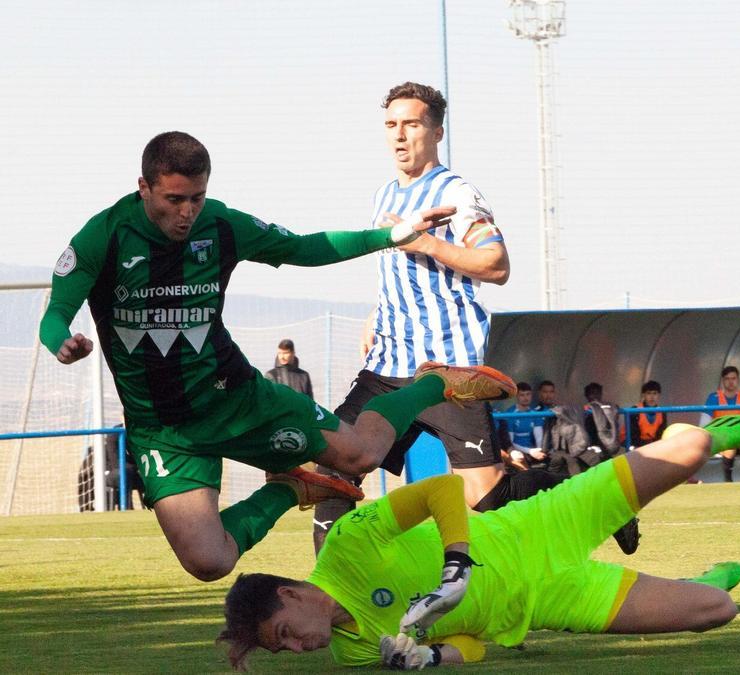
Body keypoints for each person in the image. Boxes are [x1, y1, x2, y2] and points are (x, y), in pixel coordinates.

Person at [39, 130, 515, 581]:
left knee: (361, 456)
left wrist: (391, 236)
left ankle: (435, 382)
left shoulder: (222, 225)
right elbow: (56, 311)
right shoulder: (103, 237)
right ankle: (291, 486)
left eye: (196, 198)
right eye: (174, 199)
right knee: (209, 562)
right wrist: (62, 341)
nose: (187, 212)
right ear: (143, 187)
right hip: (164, 431)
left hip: (240, 399)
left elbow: (304, 248)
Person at [217, 415, 740, 669]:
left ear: (290, 594)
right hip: (550, 598)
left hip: (542, 524)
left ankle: (698, 434)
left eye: (284, 633)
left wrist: (457, 566)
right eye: (280, 648)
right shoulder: (357, 653)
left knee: (690, 452)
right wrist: (431, 659)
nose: (295, 647)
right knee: (718, 608)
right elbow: (476, 645)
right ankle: (701, 581)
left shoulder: (347, 546)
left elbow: (442, 490)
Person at [313, 82, 540, 551]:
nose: (400, 135)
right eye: (391, 125)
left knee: (486, 498)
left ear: (436, 131)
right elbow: (400, 268)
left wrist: (424, 242)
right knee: (334, 466)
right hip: (386, 366)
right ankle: (334, 592)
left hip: (446, 373)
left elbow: (496, 265)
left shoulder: (456, 193)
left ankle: (557, 484)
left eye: (412, 124)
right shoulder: (383, 195)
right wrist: (378, 314)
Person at [496, 382, 545, 468]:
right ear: (517, 396)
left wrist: (539, 450)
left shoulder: (534, 413)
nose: (525, 398)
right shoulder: (510, 414)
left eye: (528, 394)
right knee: (521, 460)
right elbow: (510, 443)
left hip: (533, 451)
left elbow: (539, 438)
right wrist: (530, 451)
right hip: (517, 451)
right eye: (522, 395)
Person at [630, 381, 668, 448]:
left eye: (655, 393)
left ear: (659, 395)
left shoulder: (662, 412)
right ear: (643, 395)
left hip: (651, 445)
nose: (652, 397)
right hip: (632, 444)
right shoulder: (635, 410)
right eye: (649, 393)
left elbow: (661, 433)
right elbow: (633, 435)